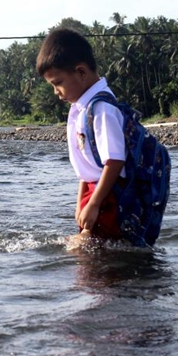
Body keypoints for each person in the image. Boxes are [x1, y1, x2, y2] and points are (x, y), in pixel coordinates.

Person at [36, 28, 126, 244]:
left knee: (90, 254)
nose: (56, 91)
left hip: (108, 196)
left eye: (58, 83)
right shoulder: (81, 108)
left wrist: (94, 203)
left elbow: (115, 161)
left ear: (81, 72)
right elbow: (86, 167)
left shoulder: (102, 109)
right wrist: (81, 204)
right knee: (88, 252)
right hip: (96, 193)